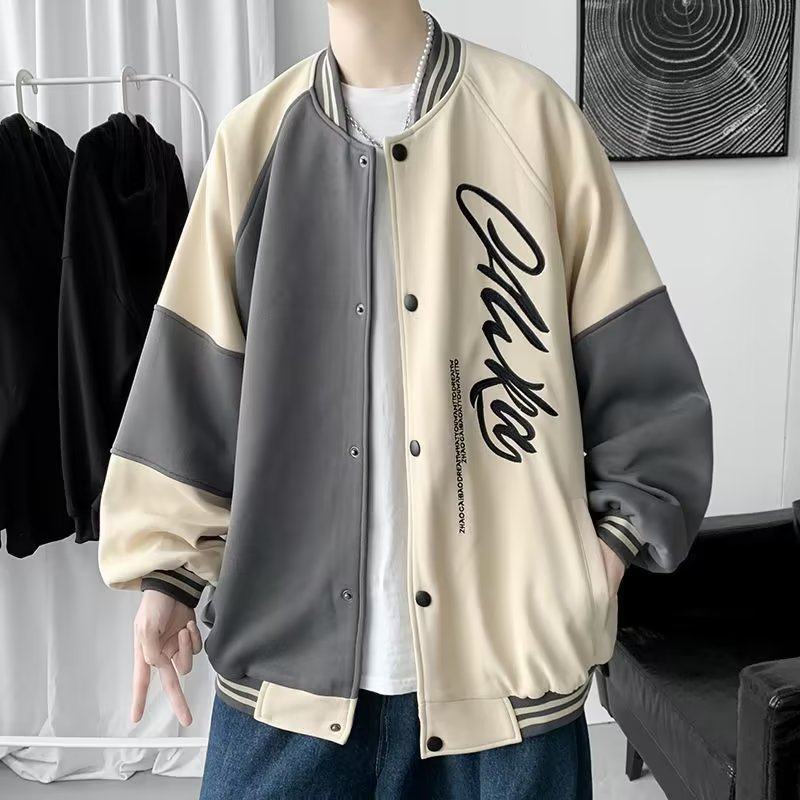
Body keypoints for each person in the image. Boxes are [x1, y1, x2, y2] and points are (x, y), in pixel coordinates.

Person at [98, 1, 713, 797]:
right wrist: (168, 574)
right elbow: (193, 383)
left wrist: (600, 560)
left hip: (507, 686)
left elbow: (645, 377)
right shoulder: (253, 142)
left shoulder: (532, 120)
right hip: (287, 677)